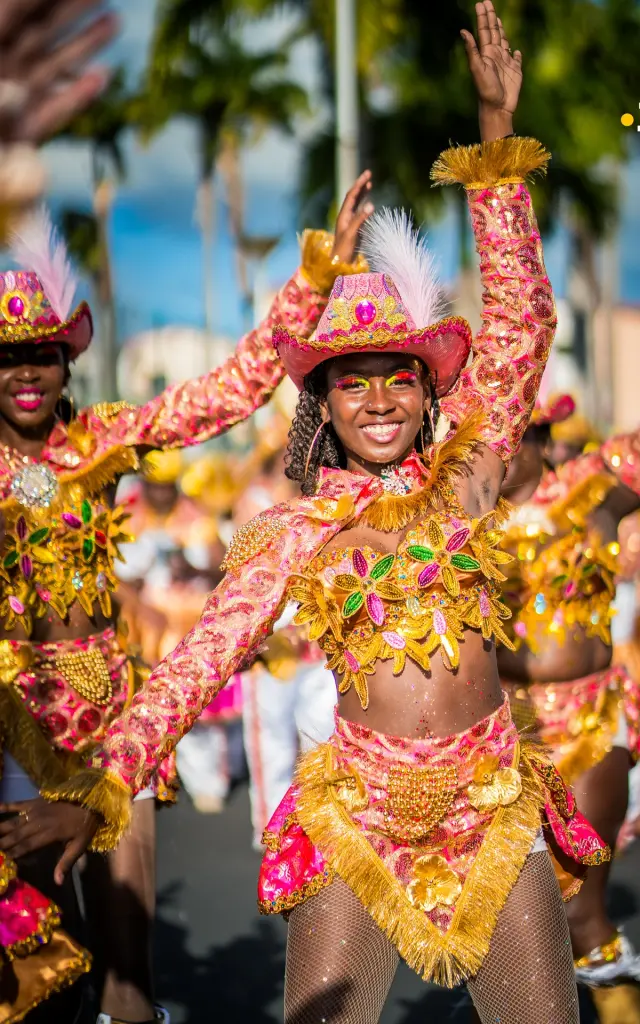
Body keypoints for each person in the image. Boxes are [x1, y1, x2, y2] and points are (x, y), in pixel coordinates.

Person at [11, 6, 612, 1022]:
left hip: (491, 804)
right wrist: (94, 786)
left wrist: (496, 153)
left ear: (431, 398)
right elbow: (193, 664)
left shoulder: (468, 478)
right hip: (360, 814)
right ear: (321, 406)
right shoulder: (294, 533)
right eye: (350, 382)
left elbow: (517, 331)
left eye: (397, 380)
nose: (377, 398)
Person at [0, 154, 371, 1024]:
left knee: (129, 980)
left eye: (44, 355)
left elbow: (233, 388)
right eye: (8, 357)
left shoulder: (101, 440)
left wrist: (314, 277)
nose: (28, 373)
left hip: (108, 719)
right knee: (34, 972)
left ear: (67, 361)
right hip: (9, 723)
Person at [498, 396, 640, 1020]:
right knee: (506, 920)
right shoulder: (457, 518)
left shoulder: (589, 489)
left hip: (587, 721)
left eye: (505, 439)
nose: (489, 456)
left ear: (540, 441)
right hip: (504, 732)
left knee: (579, 905)